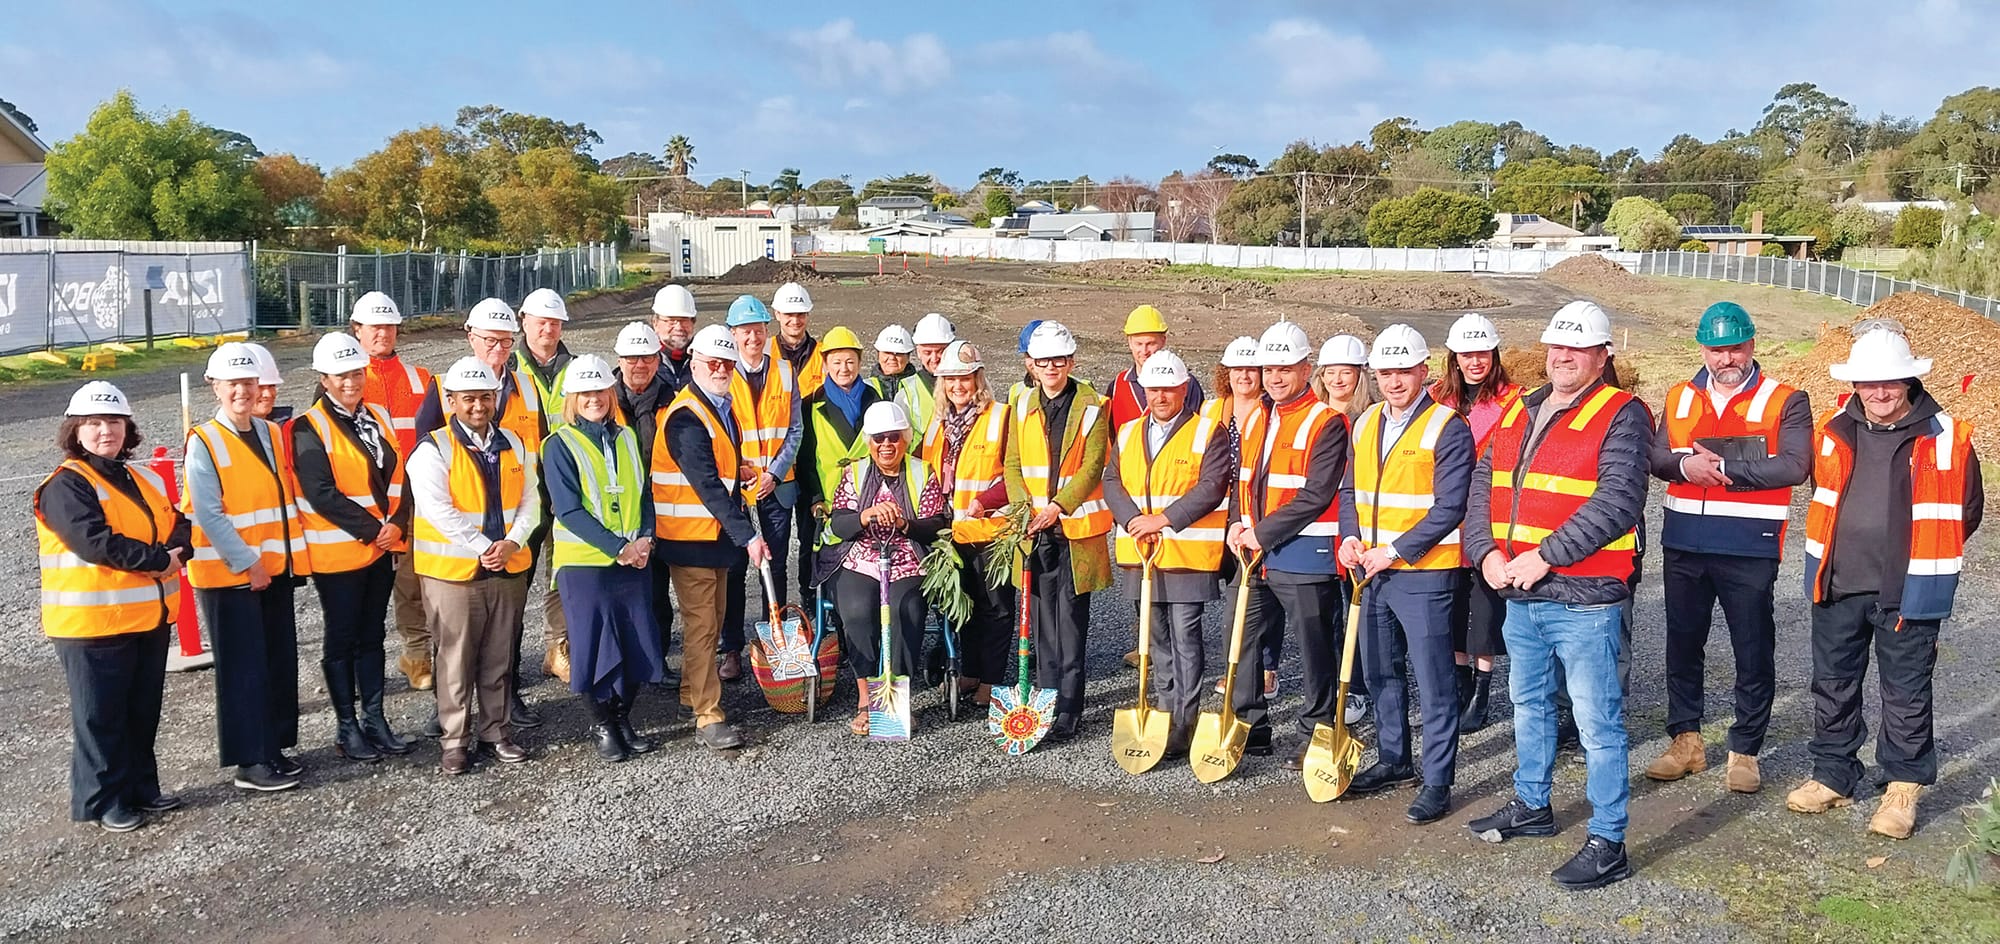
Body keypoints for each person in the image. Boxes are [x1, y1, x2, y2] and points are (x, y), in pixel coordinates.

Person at [1464, 300, 1651, 890]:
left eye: (1577, 348)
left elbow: (1618, 501)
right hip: (1522, 594)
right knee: (1531, 706)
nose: (1562, 357)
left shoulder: (1623, 413)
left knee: (1597, 725)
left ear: (1602, 355)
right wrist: (1485, 553)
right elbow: (1481, 487)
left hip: (1586, 598)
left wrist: (1543, 556)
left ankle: (1609, 839)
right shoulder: (1522, 409)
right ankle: (1532, 805)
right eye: (1555, 347)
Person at [1787, 327, 1983, 840]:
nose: (1878, 394)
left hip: (1910, 587)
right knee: (1832, 684)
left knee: (1906, 691)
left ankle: (1902, 785)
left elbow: (1968, 510)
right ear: (1853, 384)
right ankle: (1834, 772)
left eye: (1889, 383)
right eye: (1868, 384)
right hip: (1837, 581)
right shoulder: (1833, 430)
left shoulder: (1946, 436)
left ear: (1909, 381)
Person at [1643, 302, 1812, 794]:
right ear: (1703, 349)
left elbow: (1794, 466)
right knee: (1683, 644)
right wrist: (1683, 468)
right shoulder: (1677, 396)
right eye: (1717, 350)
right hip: (1684, 543)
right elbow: (1655, 456)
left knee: (1752, 648)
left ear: (1752, 344)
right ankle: (1687, 741)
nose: (1727, 359)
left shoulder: (1786, 400)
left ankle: (1745, 750)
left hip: (1749, 545)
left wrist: (1723, 470)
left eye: (1735, 347)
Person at [36, 382, 192, 831]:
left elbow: (176, 521)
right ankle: (103, 801)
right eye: (94, 423)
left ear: (128, 428)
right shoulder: (66, 485)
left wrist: (177, 548)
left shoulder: (139, 477)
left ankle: (142, 789)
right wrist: (161, 561)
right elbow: (94, 542)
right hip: (93, 623)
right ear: (76, 430)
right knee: (100, 716)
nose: (106, 431)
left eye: (115, 422)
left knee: (141, 711)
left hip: (146, 616)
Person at [1336, 325, 1474, 825]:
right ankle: (1395, 760)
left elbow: (1450, 508)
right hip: (1369, 570)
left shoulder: (1447, 426)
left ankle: (1438, 780)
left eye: (1404, 371)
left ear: (1425, 371)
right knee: (1380, 672)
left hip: (1424, 574)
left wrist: (1392, 551)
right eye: (1386, 372)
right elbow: (1350, 491)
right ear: (1376, 375)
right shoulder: (1366, 421)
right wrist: (1350, 537)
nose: (1395, 381)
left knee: (1434, 680)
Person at [413, 298, 549, 727]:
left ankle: (508, 698)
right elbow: (428, 448)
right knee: (456, 633)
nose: (499, 349)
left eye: (507, 341)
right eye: (491, 340)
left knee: (507, 625)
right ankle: (450, 711)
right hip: (460, 542)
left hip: (514, 533)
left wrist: (521, 531)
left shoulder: (526, 386)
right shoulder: (443, 386)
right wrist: (474, 539)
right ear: (471, 337)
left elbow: (537, 452)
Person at [185, 342, 311, 793]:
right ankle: (250, 762)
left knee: (276, 662)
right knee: (243, 669)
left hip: (274, 571)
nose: (241, 390)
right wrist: (248, 564)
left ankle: (273, 747)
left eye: (248, 382)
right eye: (232, 383)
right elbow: (209, 513)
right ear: (216, 387)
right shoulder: (203, 441)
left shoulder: (269, 432)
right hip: (230, 576)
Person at [1227, 322, 1351, 766]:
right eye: (1268, 369)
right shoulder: (1257, 415)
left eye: (1285, 369)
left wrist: (1260, 532)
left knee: (1314, 647)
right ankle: (1250, 726)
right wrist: (1237, 524)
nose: (1275, 377)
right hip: (1255, 555)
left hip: (1304, 555)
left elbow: (1316, 495)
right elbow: (1243, 480)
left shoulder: (1327, 422)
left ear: (1305, 368)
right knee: (1240, 639)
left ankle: (1318, 729)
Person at [291, 333, 414, 765]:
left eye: (356, 373)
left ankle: (376, 719)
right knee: (342, 640)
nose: (351, 382)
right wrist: (374, 529)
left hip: (380, 549)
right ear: (324, 379)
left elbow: (401, 477)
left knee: (372, 637)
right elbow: (320, 492)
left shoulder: (377, 416)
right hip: (340, 556)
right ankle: (347, 727)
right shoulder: (308, 428)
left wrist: (397, 523)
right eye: (342, 375)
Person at [1102, 350, 1231, 759]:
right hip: (1142, 556)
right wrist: (1133, 520)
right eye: (1153, 389)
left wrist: (1162, 520)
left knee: (1185, 637)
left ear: (1183, 389)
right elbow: (1112, 482)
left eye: (1168, 389)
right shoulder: (1126, 432)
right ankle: (1161, 708)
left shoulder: (1208, 432)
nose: (1160, 396)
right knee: (1155, 637)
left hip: (1187, 555)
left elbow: (1212, 486)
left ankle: (1184, 719)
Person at [543, 355, 664, 763]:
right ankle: (603, 724)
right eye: (585, 393)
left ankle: (622, 715)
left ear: (610, 395)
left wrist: (646, 537)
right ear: (572, 399)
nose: (594, 398)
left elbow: (644, 492)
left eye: (599, 391)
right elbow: (568, 509)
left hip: (633, 559)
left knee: (634, 642)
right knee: (592, 646)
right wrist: (619, 547)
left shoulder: (627, 437)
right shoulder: (559, 444)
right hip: (587, 564)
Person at [1004, 320, 1112, 742]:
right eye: (1045, 361)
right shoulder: (1021, 404)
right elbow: (1013, 464)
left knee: (1068, 623)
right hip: (1033, 529)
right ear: (1032, 364)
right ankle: (1043, 701)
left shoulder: (1092, 405)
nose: (1053, 367)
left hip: (1072, 530)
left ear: (1071, 361)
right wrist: (1023, 510)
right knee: (1039, 622)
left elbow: (1092, 466)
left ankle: (1069, 707)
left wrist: (1056, 507)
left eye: (1060, 360)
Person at [651, 324, 753, 751]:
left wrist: (741, 469)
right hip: (691, 539)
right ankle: (708, 716)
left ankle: (691, 693)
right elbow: (706, 484)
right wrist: (748, 535)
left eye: (728, 363)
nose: (722, 368)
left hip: (712, 541)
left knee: (708, 626)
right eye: (714, 362)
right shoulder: (687, 416)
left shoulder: (719, 406)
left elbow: (720, 470)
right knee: (702, 627)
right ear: (694, 362)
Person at [823, 401, 951, 734]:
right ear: (869, 442)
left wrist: (906, 524)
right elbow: (838, 522)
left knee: (904, 609)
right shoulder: (854, 472)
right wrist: (864, 516)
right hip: (863, 557)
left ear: (905, 439)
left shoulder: (923, 471)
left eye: (894, 437)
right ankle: (866, 697)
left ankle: (897, 699)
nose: (886, 445)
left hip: (908, 558)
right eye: (879, 438)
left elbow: (937, 523)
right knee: (856, 610)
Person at [1429, 313, 1523, 732]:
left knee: (1484, 611)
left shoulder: (1514, 400)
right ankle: (1461, 688)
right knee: (1452, 607)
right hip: (1446, 520)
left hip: (1489, 519)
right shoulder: (1436, 398)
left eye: (1482, 352)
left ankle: (1481, 695)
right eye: (1467, 354)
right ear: (1454, 357)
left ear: (1494, 353)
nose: (1475, 361)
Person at [917, 339, 1013, 708]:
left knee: (996, 609)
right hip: (953, 533)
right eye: (951, 379)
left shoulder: (1001, 418)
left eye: (966, 378)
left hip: (991, 532)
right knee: (965, 606)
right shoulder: (939, 424)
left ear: (979, 379)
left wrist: (984, 502)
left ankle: (991, 679)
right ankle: (971, 669)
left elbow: (1018, 478)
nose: (958, 386)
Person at [351, 291, 436, 691]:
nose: (382, 333)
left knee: (413, 579)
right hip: (366, 500)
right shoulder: (348, 381)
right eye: (374, 327)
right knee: (361, 590)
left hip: (415, 496)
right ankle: (356, 668)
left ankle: (417, 654)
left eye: (388, 326)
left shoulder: (422, 379)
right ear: (357, 331)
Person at [720, 295, 804, 683]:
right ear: (733, 333)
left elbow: (795, 430)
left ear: (766, 331)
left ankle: (780, 638)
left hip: (775, 487)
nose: (752, 337)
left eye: (758, 329)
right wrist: (738, 471)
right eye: (744, 331)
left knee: (777, 564)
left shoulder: (786, 373)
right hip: (736, 490)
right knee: (736, 568)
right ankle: (731, 648)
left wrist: (773, 472)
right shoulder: (720, 375)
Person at [1210, 336, 1281, 700]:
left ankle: (1265, 668)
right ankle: (1240, 662)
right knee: (1232, 595)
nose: (1244, 375)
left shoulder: (1272, 413)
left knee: (1258, 594)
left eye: (1251, 368)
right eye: (1237, 368)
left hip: (1254, 516)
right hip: (1217, 515)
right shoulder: (1213, 411)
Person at [511, 287, 575, 688]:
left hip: (564, 491)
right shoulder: (507, 366)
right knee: (515, 581)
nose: (548, 329)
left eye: (554, 323)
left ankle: (557, 649)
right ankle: (507, 662)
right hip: (519, 494)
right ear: (524, 323)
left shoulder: (576, 368)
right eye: (540, 323)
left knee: (559, 574)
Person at [612, 320, 679, 681]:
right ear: (620, 359)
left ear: (658, 359)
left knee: (657, 593)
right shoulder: (602, 399)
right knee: (618, 593)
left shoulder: (674, 398)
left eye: (648, 358)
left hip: (663, 508)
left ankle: (656, 662)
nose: (640, 365)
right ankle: (621, 662)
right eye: (632, 358)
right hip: (616, 512)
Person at [801, 326, 882, 604]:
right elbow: (806, 459)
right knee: (827, 560)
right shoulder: (810, 404)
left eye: (850, 361)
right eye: (836, 362)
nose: (844, 368)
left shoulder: (875, 400)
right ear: (825, 364)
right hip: (827, 498)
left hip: (867, 494)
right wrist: (814, 498)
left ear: (860, 362)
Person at [1105, 305, 1204, 433]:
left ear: (1163, 341)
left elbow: (1196, 430)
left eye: (1150, 344)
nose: (1144, 351)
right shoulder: (1117, 386)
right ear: (1129, 342)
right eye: (1139, 344)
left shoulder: (1184, 384)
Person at [772, 281, 826, 399]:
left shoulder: (823, 353)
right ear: (777, 314)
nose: (795, 321)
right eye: (789, 314)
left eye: (800, 314)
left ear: (808, 314)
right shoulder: (764, 351)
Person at [904, 312, 955, 432]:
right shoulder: (907, 393)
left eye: (940, 351)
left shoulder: (966, 385)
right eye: (927, 352)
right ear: (918, 353)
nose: (934, 358)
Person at [1313, 334, 1375, 423]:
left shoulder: (1371, 417)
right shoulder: (1311, 415)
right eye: (1331, 373)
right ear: (1322, 376)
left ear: (1360, 376)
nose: (1337, 380)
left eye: (1346, 373)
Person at [652, 284, 698, 396]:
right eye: (671, 321)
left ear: (693, 323)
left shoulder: (705, 360)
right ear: (655, 323)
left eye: (684, 320)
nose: (678, 327)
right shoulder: (644, 363)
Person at [872, 324, 919, 405]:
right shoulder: (866, 387)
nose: (892, 358)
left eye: (898, 353)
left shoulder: (920, 386)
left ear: (908, 356)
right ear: (878, 354)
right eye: (887, 352)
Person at [244, 342, 290, 422]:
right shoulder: (220, 433)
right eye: (260, 387)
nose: (268, 394)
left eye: (271, 386)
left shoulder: (288, 429)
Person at [1009, 320, 1043, 402]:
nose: (1035, 363)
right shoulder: (1016, 392)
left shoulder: (1076, 392)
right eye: (1029, 356)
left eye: (1041, 356)